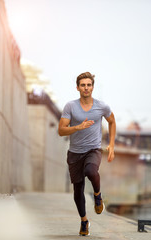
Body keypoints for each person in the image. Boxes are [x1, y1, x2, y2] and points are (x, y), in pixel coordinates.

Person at [58, 72, 116, 236]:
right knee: (78, 190)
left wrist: (111, 145)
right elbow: (61, 130)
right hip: (75, 153)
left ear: (92, 87)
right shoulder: (70, 106)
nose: (86, 88)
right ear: (77, 87)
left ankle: (98, 196)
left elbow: (112, 121)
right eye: (83, 85)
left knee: (91, 171)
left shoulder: (101, 106)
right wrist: (77, 127)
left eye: (89, 85)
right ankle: (84, 221)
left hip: (93, 149)